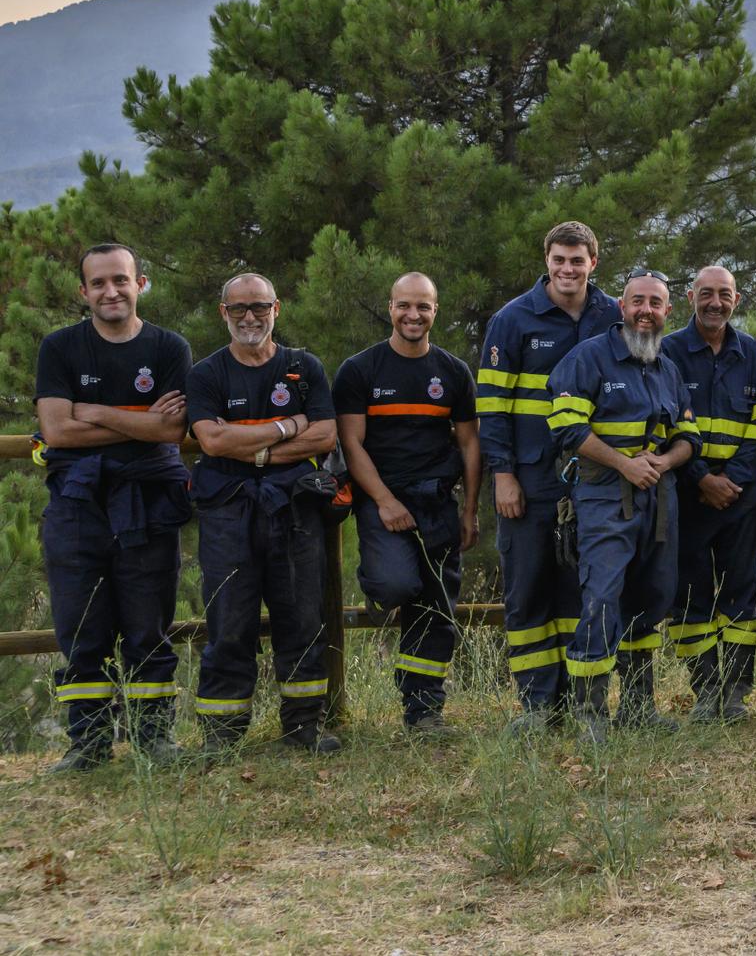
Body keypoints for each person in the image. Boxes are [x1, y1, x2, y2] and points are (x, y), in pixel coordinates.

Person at [32, 243, 194, 772]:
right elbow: (55, 429)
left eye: (120, 280)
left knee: (148, 625)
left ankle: (155, 739)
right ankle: (88, 743)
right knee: (81, 626)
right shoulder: (59, 348)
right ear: (84, 292)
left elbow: (170, 429)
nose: (111, 291)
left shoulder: (170, 347)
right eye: (98, 283)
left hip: (148, 501)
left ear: (140, 283)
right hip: (77, 503)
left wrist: (94, 411)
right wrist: (137, 421)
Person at [185, 273, 341, 754]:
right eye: (238, 309)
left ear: (278, 309)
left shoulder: (303, 367)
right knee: (229, 620)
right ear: (223, 313)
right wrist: (286, 426)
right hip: (227, 513)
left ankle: (303, 729)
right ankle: (222, 736)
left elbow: (324, 437)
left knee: (300, 617)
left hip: (294, 512)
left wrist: (250, 449)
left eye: (259, 307)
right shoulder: (207, 374)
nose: (249, 317)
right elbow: (212, 440)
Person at [477, 221, 621, 732]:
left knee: (578, 590)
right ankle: (538, 705)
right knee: (528, 588)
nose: (567, 269)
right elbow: (491, 408)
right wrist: (503, 475)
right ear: (547, 261)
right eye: (559, 260)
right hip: (531, 478)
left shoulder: (613, 315)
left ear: (592, 264)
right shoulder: (512, 321)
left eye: (577, 261)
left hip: (595, 478)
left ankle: (580, 700)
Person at [545, 270, 701, 740]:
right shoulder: (588, 358)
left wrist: (663, 461)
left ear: (667, 311)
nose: (646, 311)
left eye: (655, 303)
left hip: (659, 500)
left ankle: (638, 706)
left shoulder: (667, 368)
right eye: (638, 301)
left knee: (650, 598)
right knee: (600, 599)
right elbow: (567, 429)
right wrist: (624, 465)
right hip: (602, 498)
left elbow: (689, 437)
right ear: (622, 306)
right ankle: (590, 713)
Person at [333, 272, 480, 734]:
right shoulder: (360, 370)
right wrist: (383, 500)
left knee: (437, 608)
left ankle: (424, 711)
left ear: (436, 311)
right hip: (383, 502)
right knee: (397, 585)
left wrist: (471, 510)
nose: (413, 315)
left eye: (423, 307)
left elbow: (471, 445)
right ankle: (378, 594)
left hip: (438, 502)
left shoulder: (454, 372)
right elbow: (351, 444)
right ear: (390, 307)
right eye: (404, 306)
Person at [663, 265, 756, 722]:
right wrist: (702, 479)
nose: (714, 302)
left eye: (723, 294)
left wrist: (737, 480)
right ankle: (706, 691)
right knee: (689, 595)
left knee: (742, 592)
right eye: (705, 293)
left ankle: (736, 693)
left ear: (737, 298)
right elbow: (663, 423)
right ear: (690, 296)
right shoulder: (669, 351)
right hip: (689, 494)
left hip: (739, 495)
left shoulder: (750, 351)